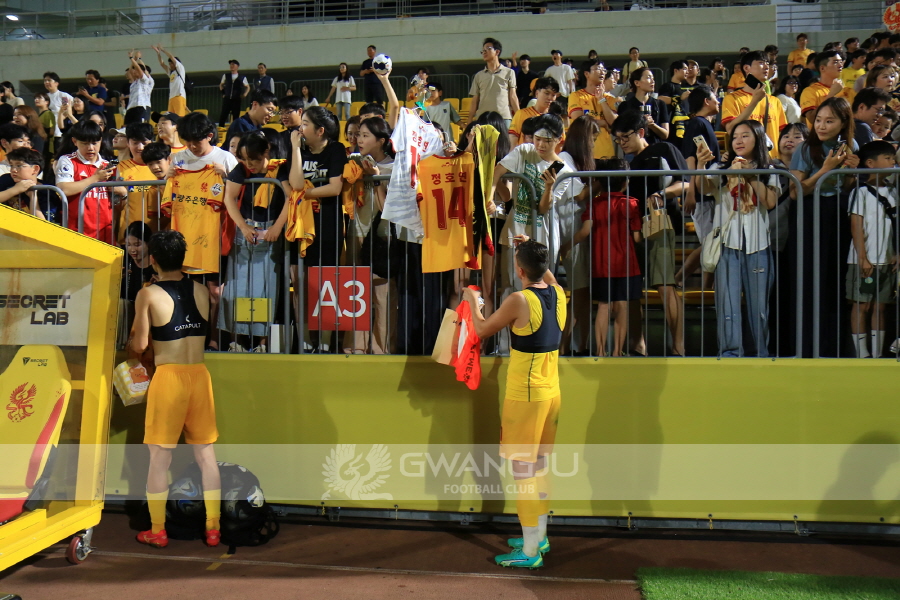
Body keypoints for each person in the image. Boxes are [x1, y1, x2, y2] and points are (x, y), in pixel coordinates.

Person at [462, 238, 563, 569]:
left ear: (519, 270)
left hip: (526, 397)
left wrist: (471, 300)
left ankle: (531, 551)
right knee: (540, 468)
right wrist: (530, 249)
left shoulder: (519, 300)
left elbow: (481, 330)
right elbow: (546, 275)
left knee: (524, 474)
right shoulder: (558, 293)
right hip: (551, 394)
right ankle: (539, 536)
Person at [129, 230, 221, 549]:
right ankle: (213, 528)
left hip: (169, 377)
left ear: (153, 259)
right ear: (183, 258)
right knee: (206, 455)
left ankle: (158, 530)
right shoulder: (202, 290)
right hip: (199, 375)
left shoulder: (147, 294)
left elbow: (140, 345)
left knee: (159, 458)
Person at [697, 120, 781, 357]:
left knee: (759, 308)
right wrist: (702, 165)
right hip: (727, 244)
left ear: (758, 139)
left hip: (758, 245)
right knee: (727, 305)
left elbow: (770, 202)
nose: (739, 141)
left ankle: (759, 354)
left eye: (745, 136)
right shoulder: (721, 168)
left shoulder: (769, 169)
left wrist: (750, 175)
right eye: (735, 137)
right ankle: (730, 354)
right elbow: (704, 188)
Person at [610, 110, 689, 356]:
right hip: (631, 229)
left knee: (665, 284)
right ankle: (637, 345)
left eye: (625, 137)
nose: (621, 143)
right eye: (618, 139)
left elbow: (685, 181)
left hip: (660, 223)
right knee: (632, 288)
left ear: (641, 132)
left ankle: (678, 346)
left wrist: (662, 194)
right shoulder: (626, 164)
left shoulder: (664, 149)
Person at [789, 97, 860, 357]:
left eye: (829, 121)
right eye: (818, 120)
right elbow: (796, 192)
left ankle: (834, 347)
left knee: (834, 279)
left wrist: (852, 172)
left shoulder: (851, 145)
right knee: (810, 280)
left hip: (838, 212)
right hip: (810, 213)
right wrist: (825, 170)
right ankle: (807, 346)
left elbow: (847, 186)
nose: (821, 126)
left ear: (843, 123)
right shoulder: (805, 149)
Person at [168, 112, 240, 351]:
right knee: (188, 292)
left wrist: (226, 177)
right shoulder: (178, 159)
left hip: (215, 236)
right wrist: (168, 178)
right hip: (185, 237)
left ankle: (214, 339)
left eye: (196, 142)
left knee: (214, 293)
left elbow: (241, 193)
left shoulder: (226, 159)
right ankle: (190, 338)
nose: (191, 146)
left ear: (209, 136)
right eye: (187, 141)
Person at [221, 131, 292, 353]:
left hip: (271, 233)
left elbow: (291, 198)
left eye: (254, 159)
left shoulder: (280, 168)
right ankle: (237, 341)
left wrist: (277, 227)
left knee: (265, 290)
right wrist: (243, 226)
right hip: (246, 234)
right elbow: (229, 198)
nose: (249, 164)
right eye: (244, 159)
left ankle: (262, 342)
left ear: (266, 152)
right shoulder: (241, 170)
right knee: (238, 288)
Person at [287, 106, 347, 351]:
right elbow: (295, 183)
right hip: (301, 227)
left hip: (327, 226)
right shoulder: (298, 150)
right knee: (300, 284)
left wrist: (303, 195)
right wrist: (295, 149)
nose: (300, 128)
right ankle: (304, 340)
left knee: (326, 285)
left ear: (320, 131)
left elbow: (334, 188)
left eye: (305, 124)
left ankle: (324, 341)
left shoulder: (336, 150)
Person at [569, 158, 642, 356]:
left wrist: (566, 245)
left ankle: (600, 352)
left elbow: (584, 232)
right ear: (626, 181)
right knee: (623, 306)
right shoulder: (631, 203)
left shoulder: (594, 204)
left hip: (601, 264)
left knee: (603, 306)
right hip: (626, 264)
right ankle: (617, 352)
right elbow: (637, 237)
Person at [344, 116, 396, 354]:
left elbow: (387, 209)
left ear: (381, 141)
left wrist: (375, 178)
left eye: (365, 136)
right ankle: (355, 347)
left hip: (383, 235)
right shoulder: (353, 162)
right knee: (355, 292)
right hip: (356, 232)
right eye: (358, 135)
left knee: (382, 295)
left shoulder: (393, 167)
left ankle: (381, 348)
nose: (359, 140)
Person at [845, 140, 897, 358]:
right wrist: (863, 258)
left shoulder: (894, 192)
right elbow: (856, 226)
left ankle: (877, 354)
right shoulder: (861, 192)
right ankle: (861, 354)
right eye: (887, 158)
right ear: (870, 163)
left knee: (880, 307)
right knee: (862, 305)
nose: (893, 162)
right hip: (863, 260)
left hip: (887, 259)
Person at [676, 85, 720, 291]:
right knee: (710, 243)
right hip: (702, 193)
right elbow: (691, 159)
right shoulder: (696, 123)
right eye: (715, 98)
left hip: (710, 190)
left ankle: (705, 288)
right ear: (706, 101)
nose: (718, 101)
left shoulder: (704, 124)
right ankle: (696, 285)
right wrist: (691, 192)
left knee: (712, 243)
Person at [721, 51, 787, 159]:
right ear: (746, 68)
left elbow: (782, 134)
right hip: (746, 162)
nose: (766, 67)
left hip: (772, 161)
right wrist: (754, 101)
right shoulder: (732, 99)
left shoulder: (775, 101)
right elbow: (731, 129)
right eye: (761, 63)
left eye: (767, 63)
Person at [55, 120, 114, 242]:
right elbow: (64, 189)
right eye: (85, 143)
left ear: (101, 141)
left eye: (94, 143)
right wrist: (95, 178)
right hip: (76, 229)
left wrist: (122, 193)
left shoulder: (108, 165)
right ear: (74, 141)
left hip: (104, 230)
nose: (90, 148)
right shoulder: (67, 160)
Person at [114, 122, 158, 241]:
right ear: (128, 143)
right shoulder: (120, 168)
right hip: (128, 236)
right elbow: (115, 206)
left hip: (155, 235)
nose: (140, 147)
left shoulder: (161, 167)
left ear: (152, 142)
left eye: (144, 143)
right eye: (135, 143)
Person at [567, 59, 618, 161]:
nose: (602, 72)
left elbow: (614, 122)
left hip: (607, 154)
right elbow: (579, 121)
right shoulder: (576, 96)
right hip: (585, 153)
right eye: (598, 69)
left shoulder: (609, 98)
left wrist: (601, 99)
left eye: (604, 70)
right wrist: (603, 123)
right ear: (587, 74)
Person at [118, 221, 156, 344]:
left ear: (148, 243)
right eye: (128, 245)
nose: (132, 250)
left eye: (137, 245)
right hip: (127, 314)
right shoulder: (122, 261)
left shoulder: (157, 265)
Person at [800, 51, 856, 128]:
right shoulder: (810, 91)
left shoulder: (849, 91)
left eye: (841, 62)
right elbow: (812, 119)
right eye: (835, 62)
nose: (840, 65)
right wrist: (831, 94)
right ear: (822, 68)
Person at [470, 38, 518, 126]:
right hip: (483, 118)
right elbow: (475, 100)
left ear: (497, 52)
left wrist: (519, 116)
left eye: (488, 48)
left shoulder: (509, 72)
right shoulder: (478, 75)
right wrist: (469, 119)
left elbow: (513, 96)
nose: (484, 52)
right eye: (483, 50)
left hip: (503, 117)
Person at [0, 148, 55, 221]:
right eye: (11, 165)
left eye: (19, 166)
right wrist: (15, 190)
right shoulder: (6, 179)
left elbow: (42, 224)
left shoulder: (47, 191)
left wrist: (33, 197)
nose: (13, 170)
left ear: (35, 169)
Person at [618, 68, 669, 144]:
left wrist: (652, 125)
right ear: (637, 83)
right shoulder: (625, 106)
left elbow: (665, 135)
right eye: (648, 78)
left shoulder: (660, 104)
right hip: (633, 148)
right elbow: (621, 132)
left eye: (653, 78)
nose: (653, 81)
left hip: (655, 147)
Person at [508, 77, 559, 147]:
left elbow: (560, 144)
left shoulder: (556, 118)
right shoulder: (521, 114)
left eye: (553, 95)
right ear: (537, 93)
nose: (550, 98)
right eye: (547, 93)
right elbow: (513, 138)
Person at [658, 60, 694, 140]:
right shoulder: (668, 86)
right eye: (685, 69)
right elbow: (661, 99)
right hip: (672, 127)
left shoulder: (684, 87)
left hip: (685, 126)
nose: (687, 72)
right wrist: (679, 98)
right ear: (676, 70)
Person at [152, 45, 189, 116]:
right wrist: (158, 53)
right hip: (171, 97)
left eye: (172, 63)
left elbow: (171, 57)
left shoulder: (180, 68)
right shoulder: (171, 72)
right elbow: (162, 64)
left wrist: (163, 50)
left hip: (179, 96)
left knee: (179, 116)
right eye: (169, 64)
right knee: (171, 117)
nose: (170, 65)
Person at [43, 72, 74, 142]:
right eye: (45, 81)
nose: (46, 82)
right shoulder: (44, 96)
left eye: (49, 80)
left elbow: (66, 110)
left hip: (59, 124)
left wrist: (59, 120)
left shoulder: (63, 95)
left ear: (56, 83)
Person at [125, 50, 154, 125]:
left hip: (141, 106)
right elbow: (130, 71)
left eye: (136, 70)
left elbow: (140, 68)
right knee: (128, 127)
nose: (134, 72)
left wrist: (132, 58)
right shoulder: (134, 83)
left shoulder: (146, 80)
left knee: (140, 127)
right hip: (131, 107)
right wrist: (135, 59)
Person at [219, 59, 250, 126]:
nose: (231, 66)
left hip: (236, 99)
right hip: (227, 98)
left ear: (237, 66)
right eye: (231, 64)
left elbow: (247, 87)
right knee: (223, 114)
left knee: (235, 115)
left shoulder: (242, 77)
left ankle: (235, 128)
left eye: (233, 64)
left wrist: (245, 94)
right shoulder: (226, 75)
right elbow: (221, 85)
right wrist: (223, 93)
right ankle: (221, 127)